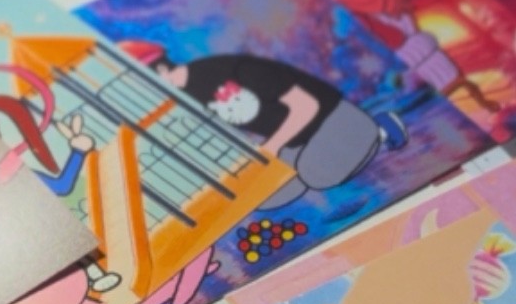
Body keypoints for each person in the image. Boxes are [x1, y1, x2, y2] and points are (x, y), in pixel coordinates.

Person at [134, 44, 408, 211]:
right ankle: (328, 155)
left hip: (332, 117)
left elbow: (306, 106)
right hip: (294, 140)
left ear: (160, 71)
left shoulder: (228, 69)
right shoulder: (189, 97)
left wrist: (272, 147)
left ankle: (378, 129)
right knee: (263, 199)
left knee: (319, 177)